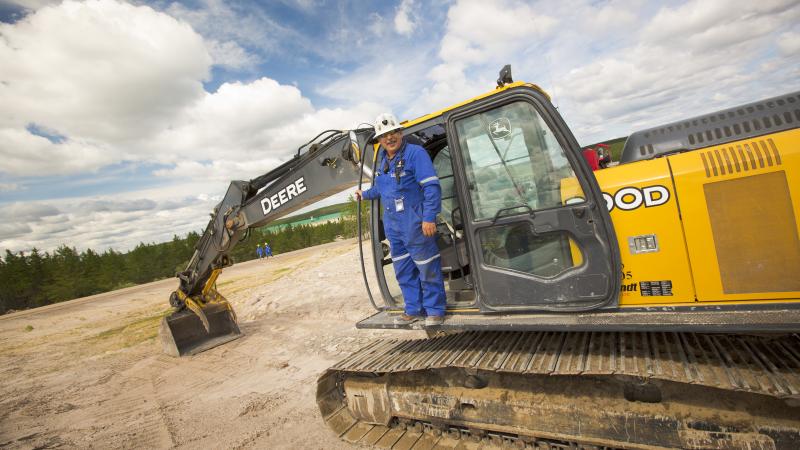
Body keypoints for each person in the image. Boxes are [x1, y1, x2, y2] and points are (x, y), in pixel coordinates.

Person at [355, 113, 447, 327]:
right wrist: (364, 194)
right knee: (403, 269)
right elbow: (382, 188)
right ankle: (413, 309)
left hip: (415, 224)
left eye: (392, 132)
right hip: (394, 227)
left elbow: (431, 187)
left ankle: (435, 310)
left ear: (400, 132)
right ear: (379, 140)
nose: (389, 138)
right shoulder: (384, 162)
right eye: (384, 135)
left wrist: (429, 217)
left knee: (427, 267)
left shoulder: (416, 154)